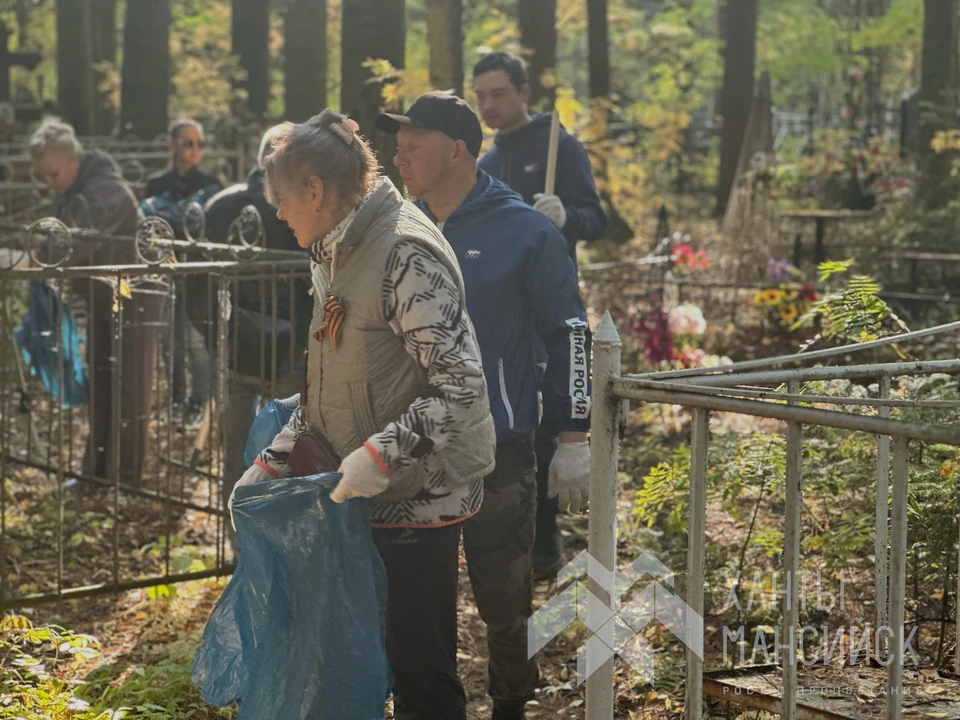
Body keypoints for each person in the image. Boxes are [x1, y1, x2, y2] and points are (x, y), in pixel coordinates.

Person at [230, 110, 497, 720]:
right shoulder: (333, 250)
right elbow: (336, 380)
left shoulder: (403, 251)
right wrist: (271, 462)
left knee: (418, 668)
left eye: (280, 200)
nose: (277, 213)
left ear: (315, 191)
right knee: (364, 659)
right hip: (363, 489)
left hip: (421, 494)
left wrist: (379, 456)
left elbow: (460, 382)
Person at [377, 92, 592, 720]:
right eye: (398, 140)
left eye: (413, 139)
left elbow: (571, 332)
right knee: (418, 600)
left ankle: (511, 704)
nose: (399, 152)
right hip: (413, 448)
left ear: (457, 149)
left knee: (504, 595)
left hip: (498, 450)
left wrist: (573, 434)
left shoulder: (525, 230)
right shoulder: (398, 229)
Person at [473, 51, 607, 576]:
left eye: (499, 93)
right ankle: (513, 534)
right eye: (481, 95)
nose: (489, 104)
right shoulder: (484, 161)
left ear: (523, 92)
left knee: (551, 419)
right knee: (511, 420)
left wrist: (566, 215)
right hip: (501, 310)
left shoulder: (560, 146)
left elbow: (598, 218)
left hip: (547, 302)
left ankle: (546, 543)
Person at [30, 118, 164, 486]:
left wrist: (39, 256)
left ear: (73, 161)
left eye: (53, 173)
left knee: (129, 387)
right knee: (100, 382)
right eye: (43, 177)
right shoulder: (74, 188)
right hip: (102, 295)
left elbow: (80, 238)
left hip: (136, 295)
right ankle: (96, 473)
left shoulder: (107, 189)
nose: (50, 183)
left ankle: (125, 478)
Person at [203, 125, 312, 553]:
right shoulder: (304, 204)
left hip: (237, 342)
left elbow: (199, 290)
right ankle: (267, 542)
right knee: (277, 447)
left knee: (244, 446)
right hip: (283, 348)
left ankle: (240, 539)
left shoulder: (220, 205)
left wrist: (213, 332)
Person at [142, 118, 222, 427]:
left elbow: (209, 227)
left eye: (199, 143)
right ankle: (176, 401)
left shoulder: (211, 183)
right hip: (163, 271)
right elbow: (150, 226)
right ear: (173, 144)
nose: (195, 150)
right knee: (169, 341)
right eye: (188, 143)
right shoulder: (155, 184)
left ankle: (199, 402)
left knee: (196, 342)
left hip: (199, 273)